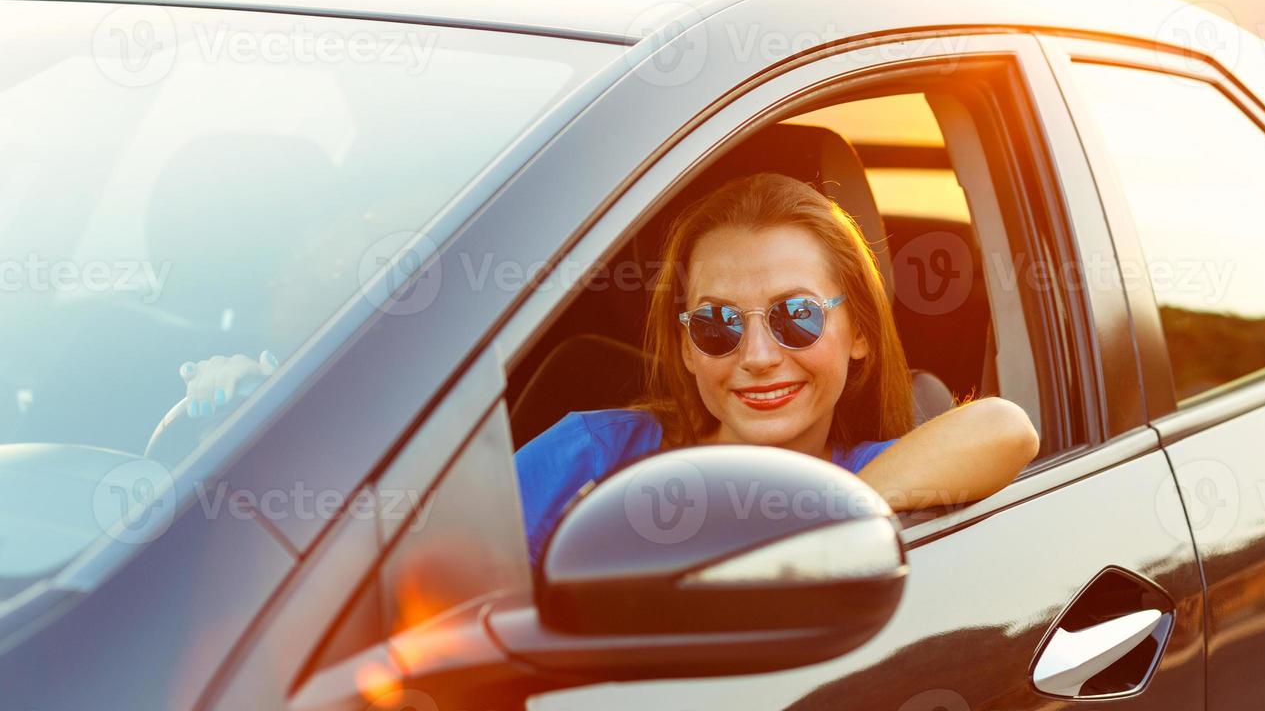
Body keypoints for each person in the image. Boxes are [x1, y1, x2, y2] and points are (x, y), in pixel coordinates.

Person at [179, 172, 1039, 565]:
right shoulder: (598, 450)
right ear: (686, 343)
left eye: (797, 315)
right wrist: (266, 414)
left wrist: (827, 515)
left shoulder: (859, 475)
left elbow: (1006, 426)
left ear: (858, 333)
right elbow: (415, 549)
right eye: (717, 326)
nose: (758, 356)